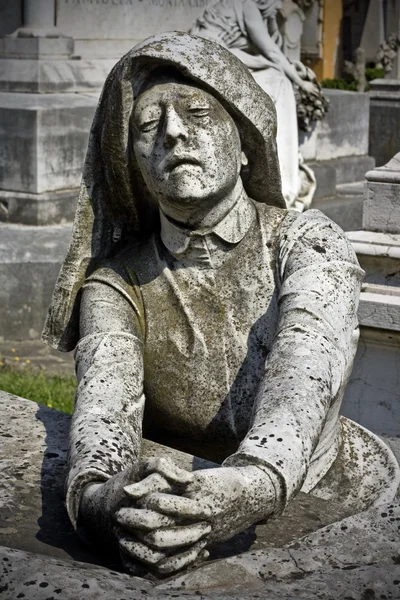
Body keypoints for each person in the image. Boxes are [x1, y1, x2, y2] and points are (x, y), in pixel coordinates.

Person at [42, 32, 399, 577]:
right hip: (168, 497)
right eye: (146, 126)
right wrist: (105, 504)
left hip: (314, 497)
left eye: (198, 112)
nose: (174, 132)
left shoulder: (308, 245)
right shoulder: (116, 284)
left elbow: (303, 372)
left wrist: (252, 483)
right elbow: (103, 417)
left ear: (244, 133)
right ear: (133, 162)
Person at [191, 0, 324, 210]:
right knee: (278, 78)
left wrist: (271, 20)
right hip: (212, 53)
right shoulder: (247, 5)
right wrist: (301, 83)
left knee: (275, 72)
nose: (279, 6)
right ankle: (284, 184)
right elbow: (270, 52)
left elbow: (271, 45)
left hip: (209, 51)